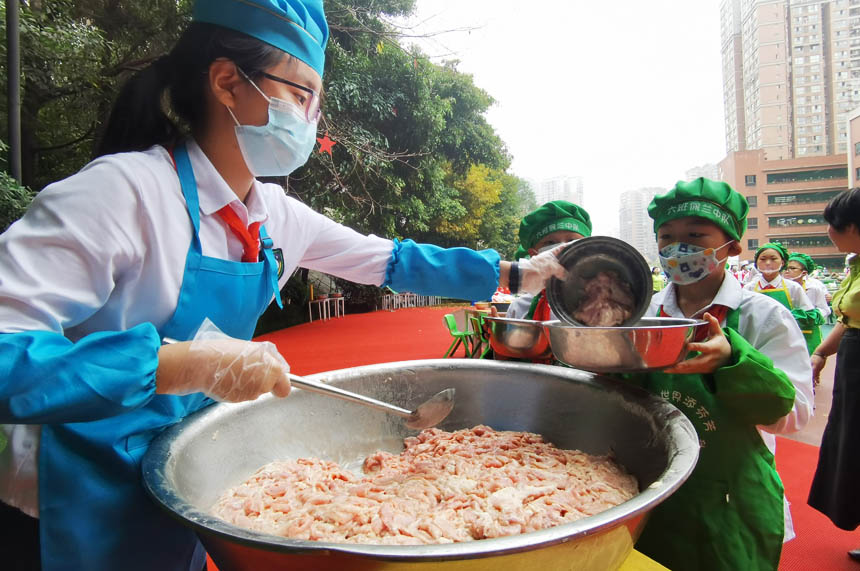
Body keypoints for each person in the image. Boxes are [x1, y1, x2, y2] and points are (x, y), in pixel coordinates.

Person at [0, 2, 567, 569]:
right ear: (228, 82)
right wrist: (176, 365)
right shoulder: (124, 195)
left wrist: (517, 273)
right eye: (300, 95)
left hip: (180, 487)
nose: (310, 118)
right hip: (65, 504)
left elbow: (388, 260)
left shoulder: (273, 215)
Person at [625, 178, 812, 570]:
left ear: (732, 246)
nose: (679, 248)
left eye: (695, 235)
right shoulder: (646, 315)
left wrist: (732, 363)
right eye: (667, 236)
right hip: (652, 487)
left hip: (729, 495)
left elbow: (794, 415)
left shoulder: (763, 316)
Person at [807, 187, 860, 562]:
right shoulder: (856, 267)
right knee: (853, 446)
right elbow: (848, 319)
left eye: (833, 224)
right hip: (853, 371)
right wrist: (822, 353)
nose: (829, 231)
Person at [505, 200, 592, 321]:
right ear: (534, 255)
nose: (562, 248)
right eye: (550, 242)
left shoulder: (604, 305)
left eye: (572, 240)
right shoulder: (519, 309)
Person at [745, 242, 822, 352]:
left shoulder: (793, 288)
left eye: (773, 259)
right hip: (758, 342)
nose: (767, 263)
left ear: (783, 262)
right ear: (756, 263)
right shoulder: (749, 288)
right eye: (762, 259)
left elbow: (809, 316)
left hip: (788, 342)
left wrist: (784, 319)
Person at [783, 252, 830, 355]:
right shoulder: (780, 288)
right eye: (786, 268)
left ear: (804, 273)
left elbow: (825, 309)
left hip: (809, 332)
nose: (787, 271)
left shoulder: (814, 288)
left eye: (792, 268)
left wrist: (812, 316)